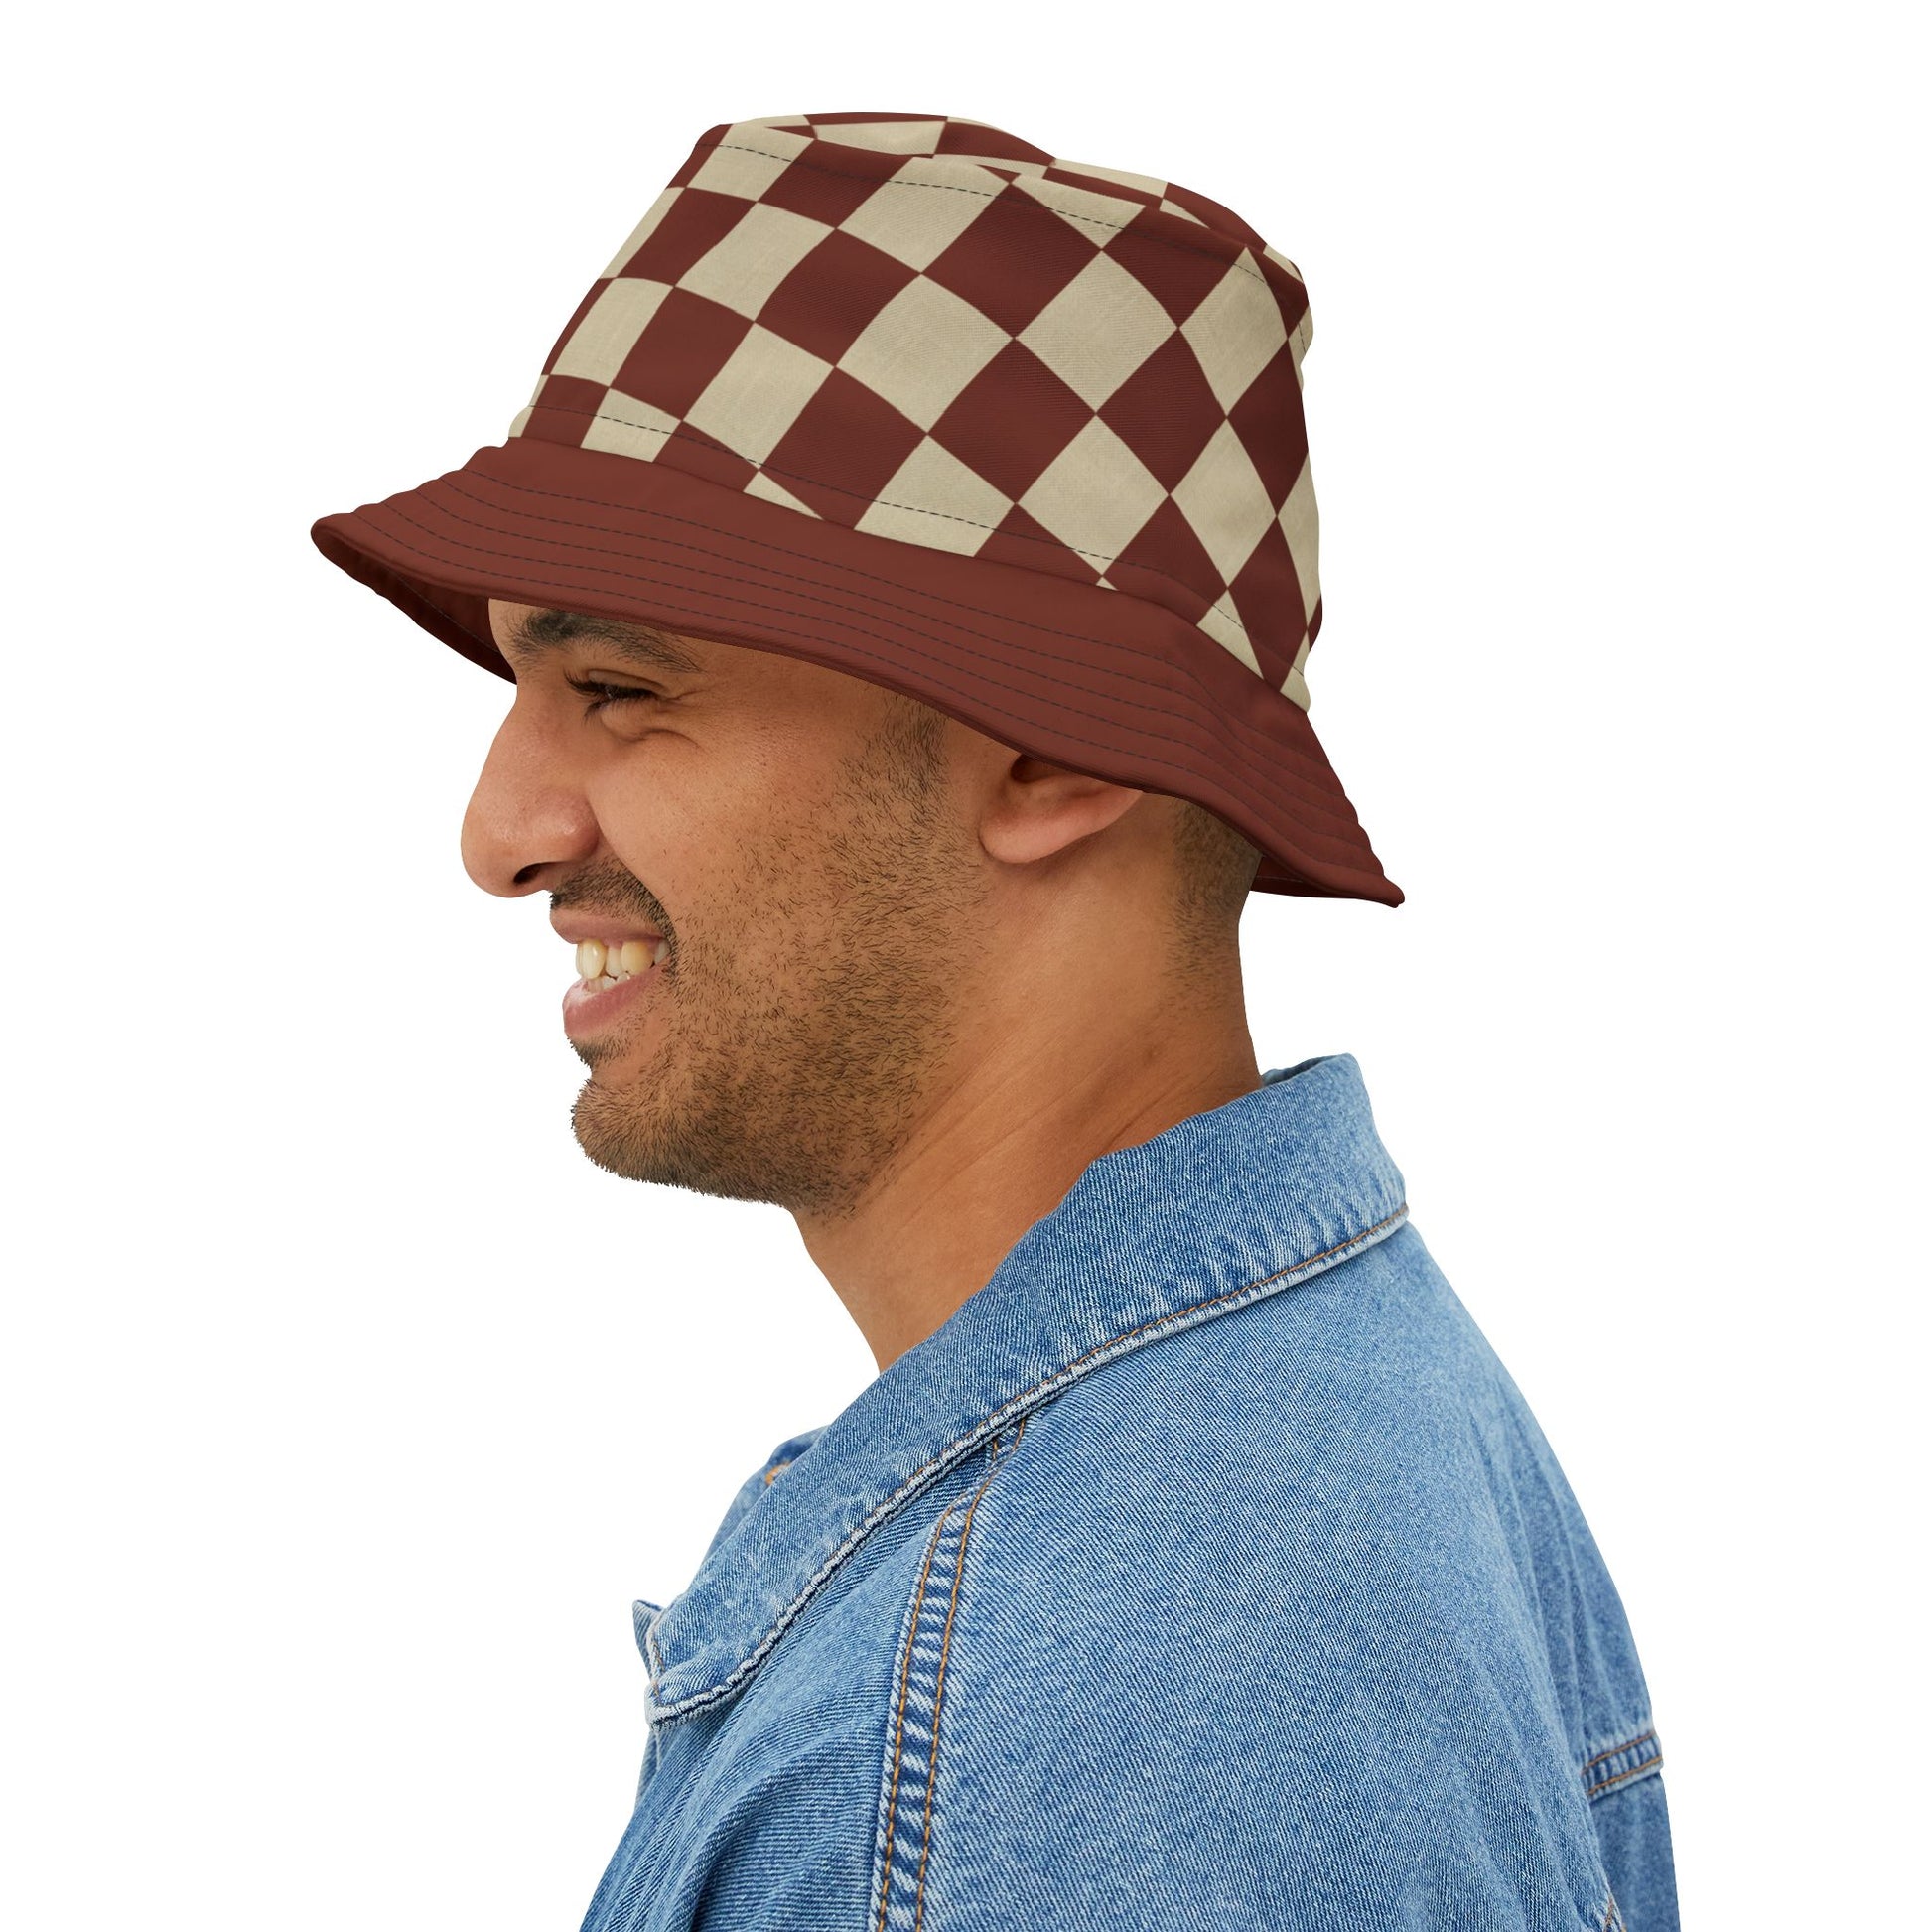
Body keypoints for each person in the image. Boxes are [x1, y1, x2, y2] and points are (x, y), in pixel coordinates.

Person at [312, 110, 1678, 1931]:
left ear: (1052, 750)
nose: (499, 832)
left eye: (621, 688)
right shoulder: (1331, 1416)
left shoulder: (1046, 1724)